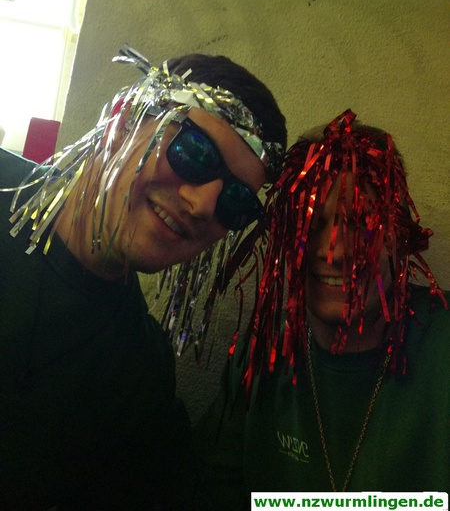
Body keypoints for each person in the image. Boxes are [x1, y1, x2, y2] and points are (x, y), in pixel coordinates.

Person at [0, 44, 287, 510]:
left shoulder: (140, 375)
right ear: (122, 118)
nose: (203, 205)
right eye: (195, 153)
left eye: (235, 200)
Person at [194, 109, 449, 508]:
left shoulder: (440, 348)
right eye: (308, 221)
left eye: (360, 222)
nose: (335, 251)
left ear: (399, 234)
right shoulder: (260, 351)